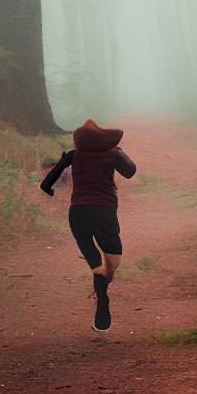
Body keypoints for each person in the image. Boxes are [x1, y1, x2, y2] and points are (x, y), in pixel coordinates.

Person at [40, 119, 136, 332]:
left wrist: (52, 191)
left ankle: (102, 301)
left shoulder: (73, 155)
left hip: (78, 213)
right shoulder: (113, 153)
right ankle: (103, 291)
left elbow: (46, 184)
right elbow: (130, 171)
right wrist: (118, 152)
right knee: (113, 259)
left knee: (95, 262)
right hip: (104, 212)